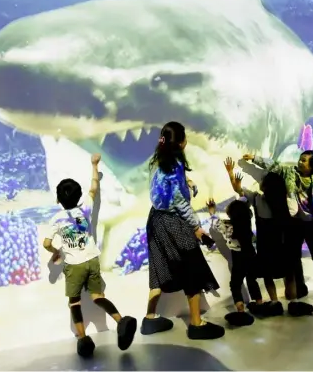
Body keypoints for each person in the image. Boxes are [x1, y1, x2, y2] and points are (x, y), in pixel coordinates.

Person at [43, 153, 137, 358]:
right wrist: (94, 165)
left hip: (74, 265)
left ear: (58, 198)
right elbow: (94, 188)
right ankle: (121, 321)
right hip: (92, 259)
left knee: (74, 302)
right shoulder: (85, 206)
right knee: (98, 297)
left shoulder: (57, 219)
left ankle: (83, 339)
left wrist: (56, 252)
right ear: (78, 196)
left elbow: (46, 243)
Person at [141, 121, 225, 340]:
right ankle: (196, 324)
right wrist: (196, 227)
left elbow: (164, 188)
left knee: (158, 270)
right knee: (193, 268)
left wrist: (187, 183)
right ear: (181, 142)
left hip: (155, 220)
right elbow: (179, 202)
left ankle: (149, 318)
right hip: (173, 223)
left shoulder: (159, 161)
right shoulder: (175, 164)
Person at [240, 150, 313, 301]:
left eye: (304, 161)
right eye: (301, 159)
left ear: (312, 167)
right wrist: (255, 158)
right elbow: (273, 166)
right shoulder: (289, 172)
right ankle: (300, 287)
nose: (300, 162)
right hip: (294, 224)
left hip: (310, 225)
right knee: (295, 258)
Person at [206, 197, 261, 326]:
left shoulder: (227, 225)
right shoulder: (247, 222)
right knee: (252, 280)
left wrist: (212, 211)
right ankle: (260, 304)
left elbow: (215, 223)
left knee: (235, 284)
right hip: (251, 255)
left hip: (238, 257)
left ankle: (240, 309)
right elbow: (246, 210)